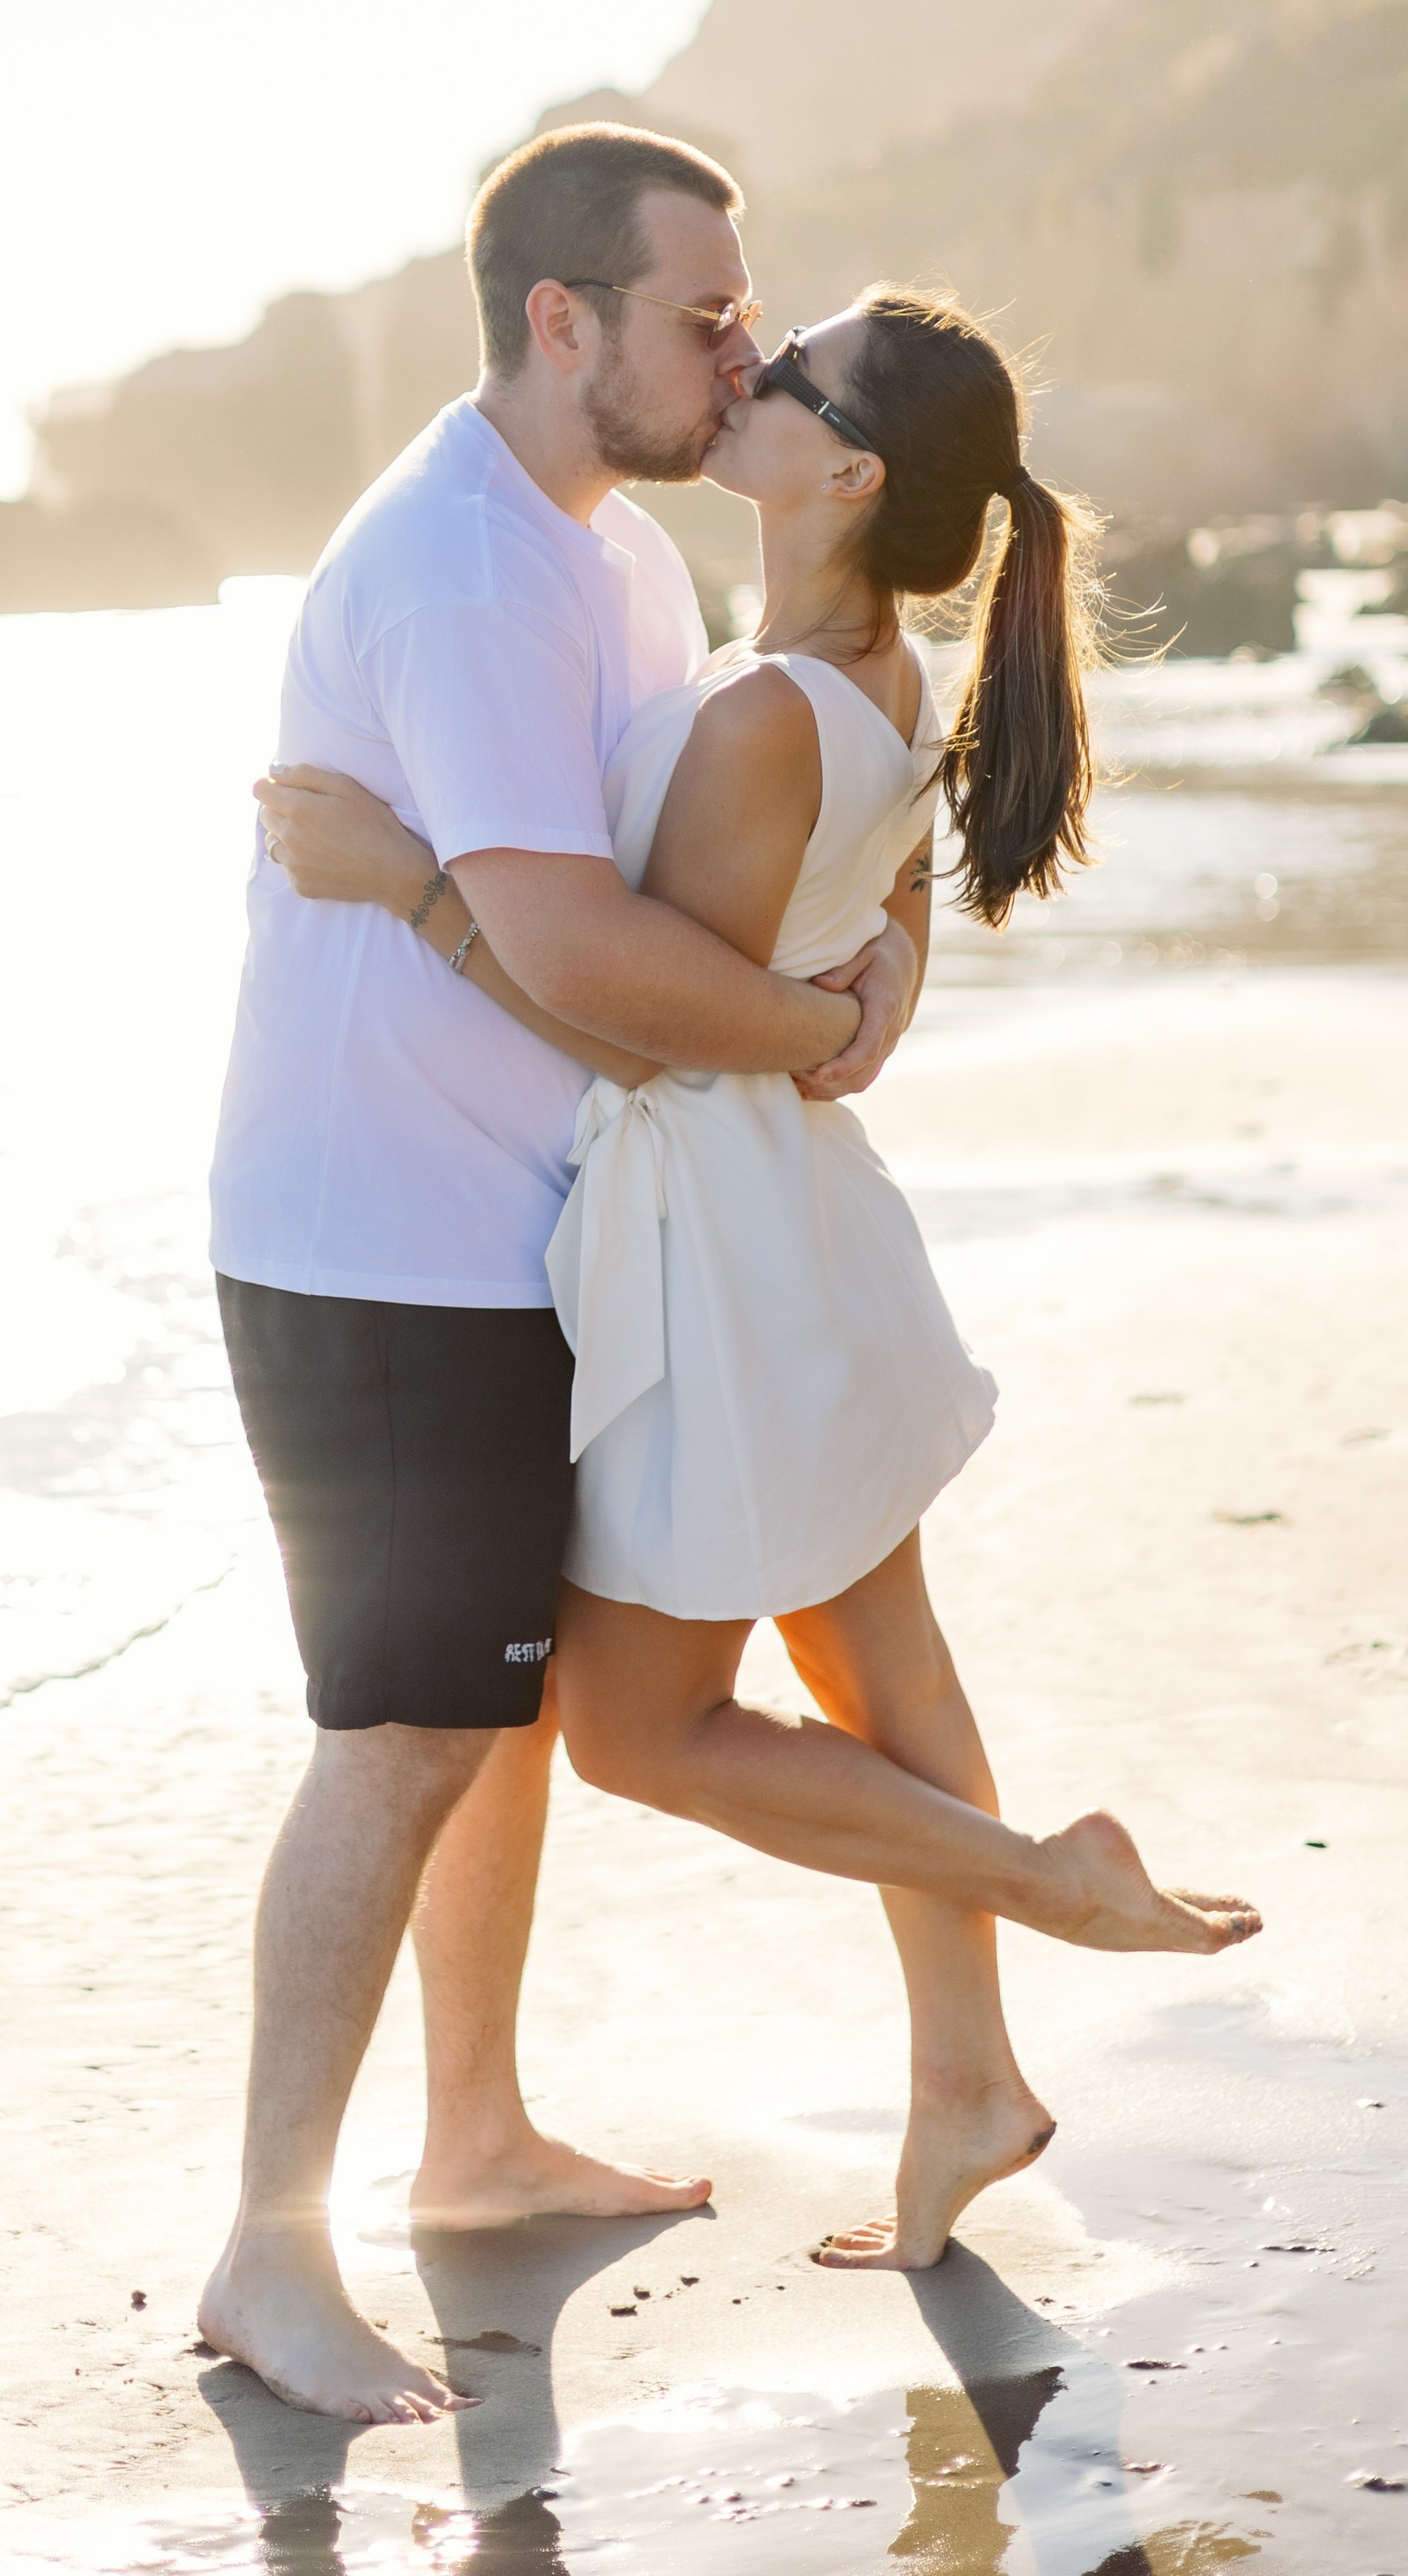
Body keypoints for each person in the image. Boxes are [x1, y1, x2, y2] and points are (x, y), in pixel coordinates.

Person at [255, 279, 1262, 2295]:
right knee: (884, 1671)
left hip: (714, 1245)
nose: (747, 371)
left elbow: (640, 1025)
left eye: (787, 370)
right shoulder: (873, 672)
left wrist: (410, 886)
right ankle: (965, 2082)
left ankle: (1047, 1883)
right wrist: (870, 995)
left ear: (849, 472)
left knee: (637, 1734)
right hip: (800, 1222)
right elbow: (869, 913)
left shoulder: (755, 713)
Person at [199, 124, 929, 2426]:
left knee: (494, 1711)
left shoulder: (608, 551)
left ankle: (477, 2137)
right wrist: (812, 1034)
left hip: (523, 1226)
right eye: (706, 318)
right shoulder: (464, 573)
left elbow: (692, 878)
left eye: (747, 316)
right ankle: (267, 2250)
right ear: (561, 321)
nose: (742, 352)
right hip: (379, 1240)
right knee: (407, 1725)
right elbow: (582, 950)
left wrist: (857, 976)